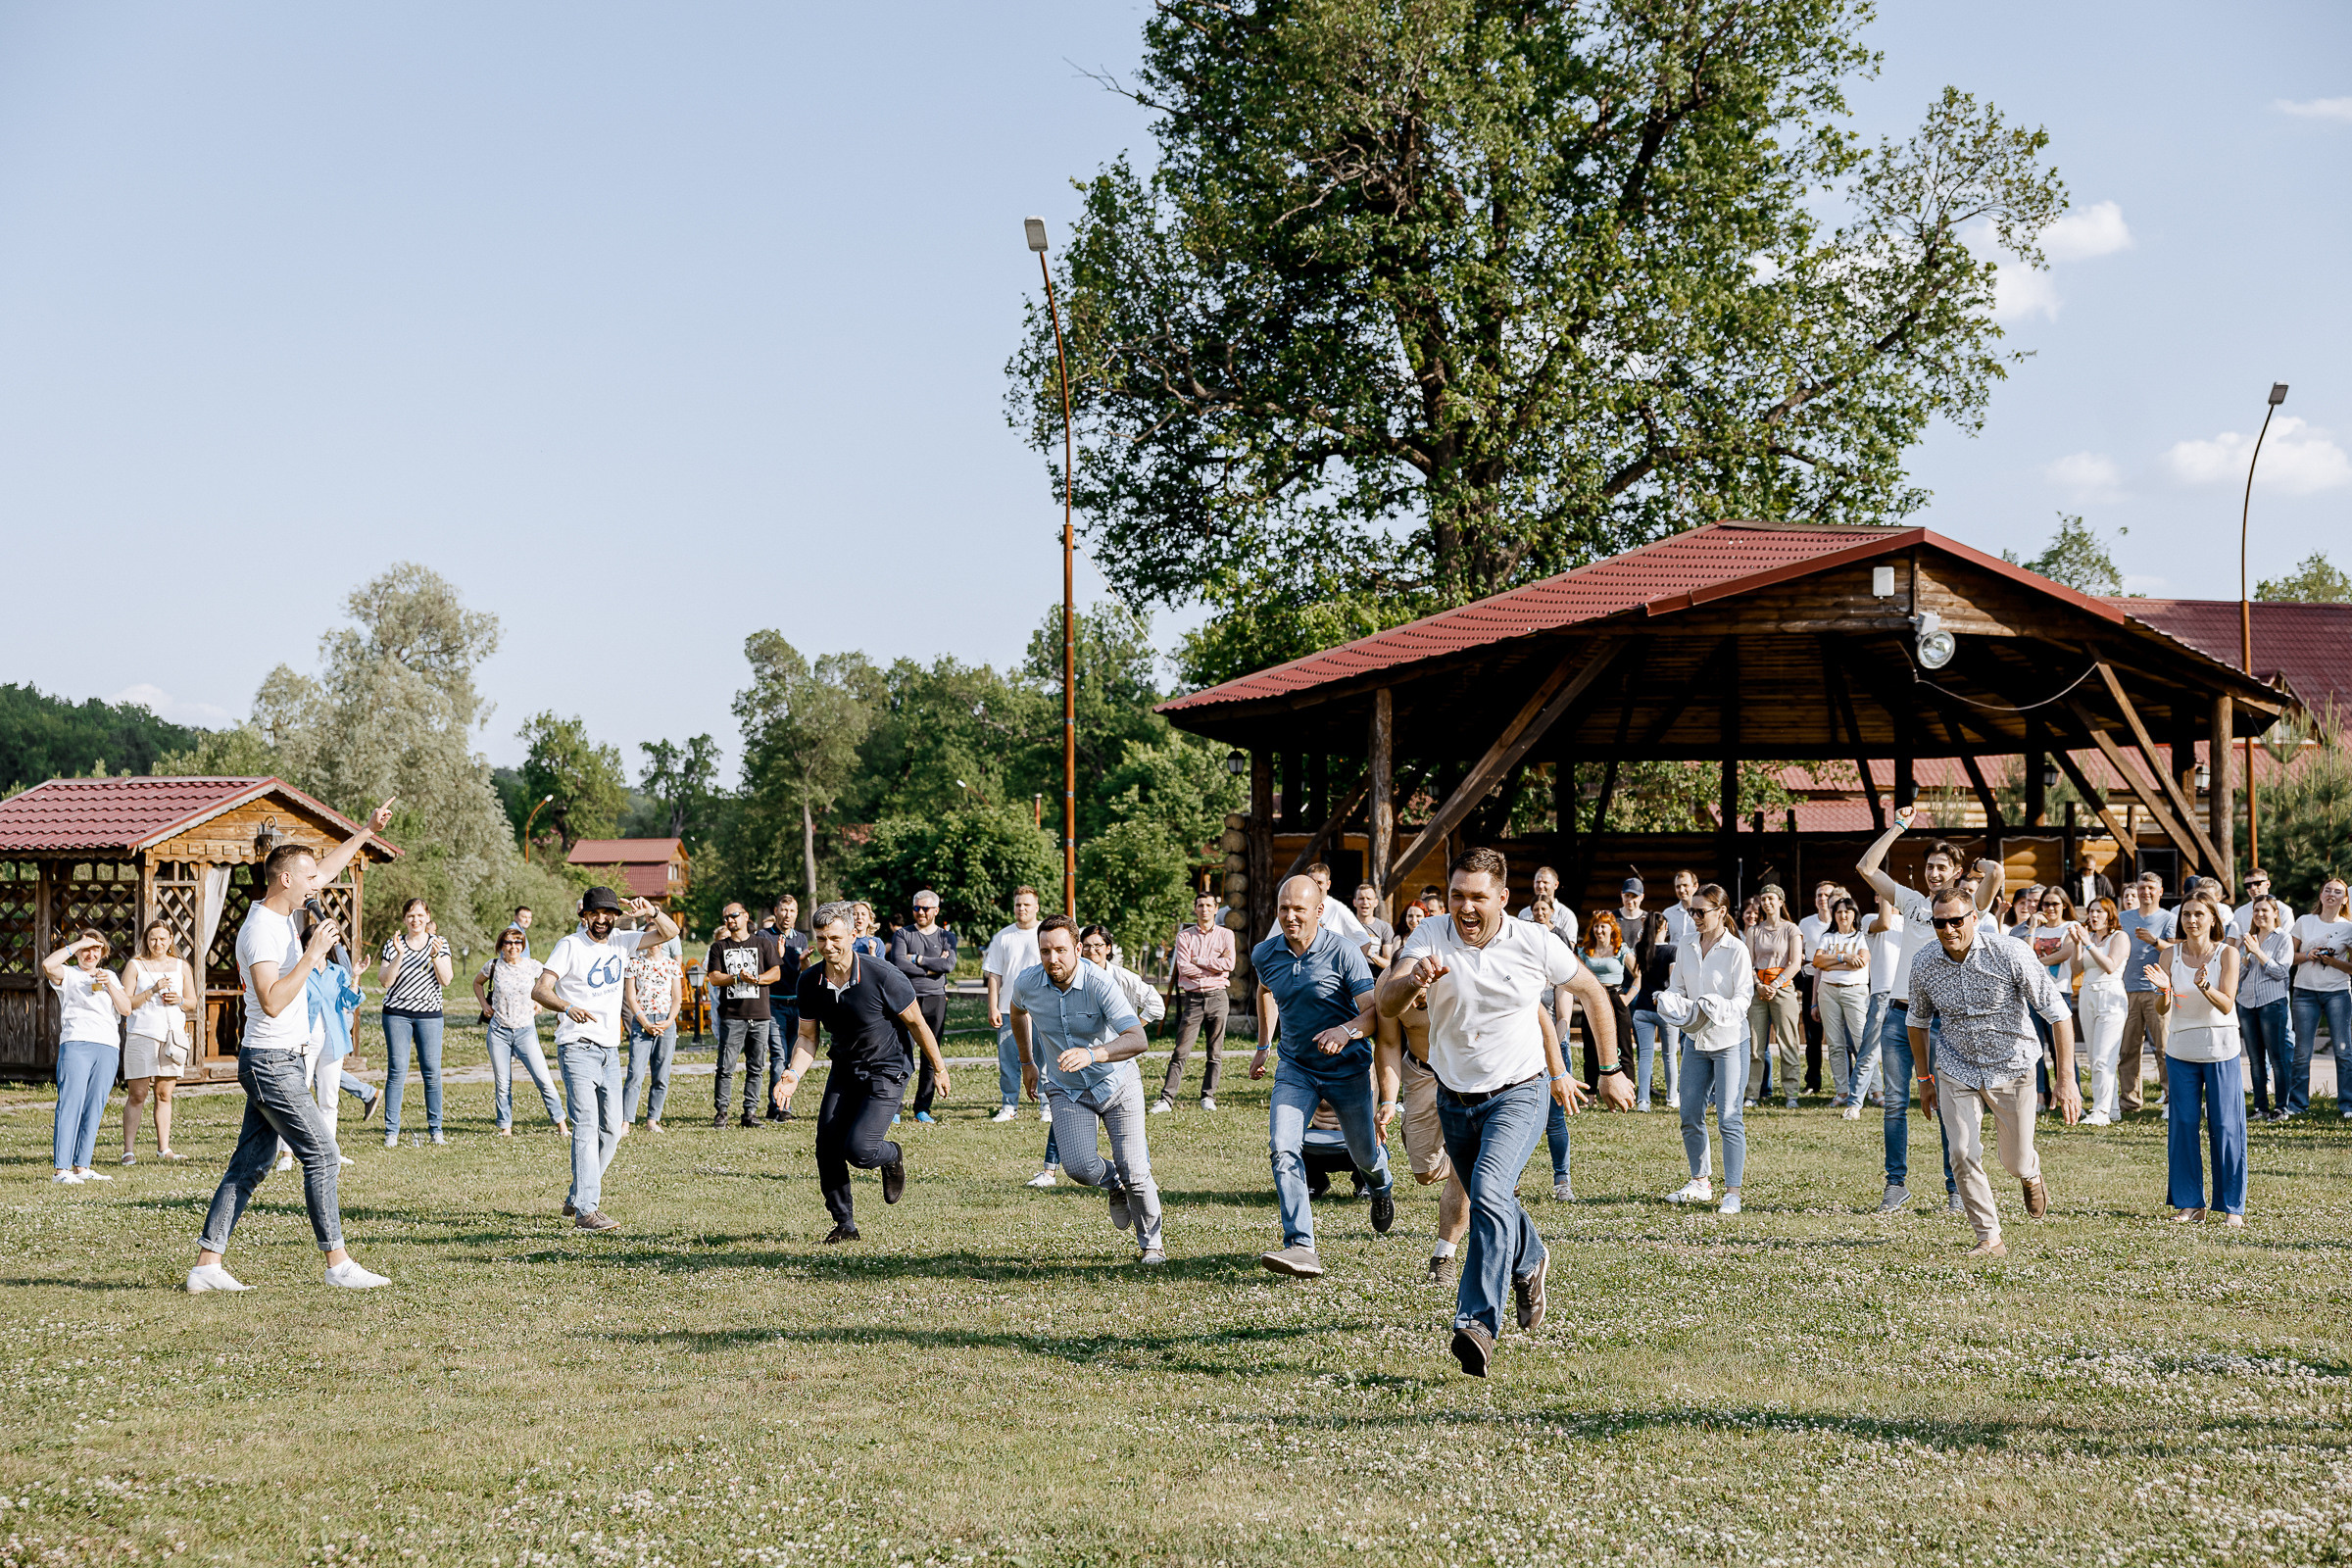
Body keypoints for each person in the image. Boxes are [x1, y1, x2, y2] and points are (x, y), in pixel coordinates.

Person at [1380, 848, 1629, 1377]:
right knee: (1496, 1203)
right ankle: (1531, 1256)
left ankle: (1476, 1324)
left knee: (1488, 1195)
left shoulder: (1534, 942)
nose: (1465, 908)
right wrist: (1411, 980)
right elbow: (1385, 1002)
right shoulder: (1430, 935)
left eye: (1477, 897)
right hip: (1453, 1097)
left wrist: (1609, 1068)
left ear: (1504, 898)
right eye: (1456, 895)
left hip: (1519, 1091)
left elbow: (1591, 992)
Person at [186, 802, 396, 1292]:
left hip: (281, 1060)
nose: (316, 884)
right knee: (322, 1152)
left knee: (251, 1164)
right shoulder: (261, 930)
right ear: (284, 880)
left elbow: (327, 866)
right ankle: (338, 1265)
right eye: (307, 878)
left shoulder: (282, 914)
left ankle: (206, 1266)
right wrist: (313, 955)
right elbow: (273, 1000)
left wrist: (365, 831)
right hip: (269, 1061)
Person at [1907, 887, 2080, 1258]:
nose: (1949, 929)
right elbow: (1917, 1021)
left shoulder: (2010, 952)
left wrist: (2066, 1080)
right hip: (1956, 1067)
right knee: (1961, 1152)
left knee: (2014, 1160)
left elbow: (2058, 1014)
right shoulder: (1924, 963)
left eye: (1956, 920)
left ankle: (2030, 1171)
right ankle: (1990, 1238)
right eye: (1940, 922)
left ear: (1974, 918)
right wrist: (1924, 1080)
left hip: (2012, 1066)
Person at [772, 900, 951, 1245]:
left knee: (860, 1150)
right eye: (822, 938)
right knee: (827, 1146)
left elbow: (917, 1024)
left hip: (888, 1069)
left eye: (836, 938)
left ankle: (891, 1154)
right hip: (845, 1068)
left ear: (854, 934)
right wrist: (793, 1073)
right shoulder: (809, 981)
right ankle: (845, 1225)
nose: (829, 946)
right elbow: (808, 1037)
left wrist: (939, 1068)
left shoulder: (882, 975)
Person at [1250, 873, 1397, 1279]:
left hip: (1347, 1070)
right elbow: (1265, 991)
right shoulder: (1265, 953)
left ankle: (1381, 1186)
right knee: (1282, 1147)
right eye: (1284, 909)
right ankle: (1301, 1245)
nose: (1291, 917)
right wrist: (1264, 1045)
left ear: (1319, 911)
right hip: (1295, 1069)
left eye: (1300, 909)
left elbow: (1375, 1014)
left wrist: (1345, 1030)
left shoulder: (1345, 952)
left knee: (1364, 1154)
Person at [1855, 814, 2002, 1214]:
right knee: (1894, 1103)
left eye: (1942, 867)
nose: (1933, 873)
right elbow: (1866, 868)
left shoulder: (1969, 909)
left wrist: (1976, 869)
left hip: (1944, 1020)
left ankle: (1955, 1188)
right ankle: (1895, 1185)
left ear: (1955, 871)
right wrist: (1898, 828)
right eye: (1929, 867)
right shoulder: (1912, 903)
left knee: (1947, 1106)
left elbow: (1998, 873)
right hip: (1899, 1016)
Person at [1009, 916, 1165, 1263]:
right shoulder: (1028, 983)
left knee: (1137, 1170)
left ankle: (1152, 1245)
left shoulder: (1100, 983)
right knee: (1078, 1167)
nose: (1053, 959)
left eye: (1061, 950)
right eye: (1046, 951)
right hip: (1067, 1089)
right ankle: (1115, 1183)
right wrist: (1027, 1062)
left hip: (1117, 1084)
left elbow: (1137, 1039)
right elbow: (1017, 1012)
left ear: (1078, 949)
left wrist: (1093, 1053)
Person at [532, 888, 681, 1231]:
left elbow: (671, 934)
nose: (602, 920)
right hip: (576, 1047)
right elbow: (540, 989)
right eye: (595, 913)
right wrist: (568, 1008)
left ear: (616, 915)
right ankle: (586, 1210)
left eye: (608, 914)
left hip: (610, 1051)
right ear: (584, 915)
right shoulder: (569, 945)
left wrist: (651, 911)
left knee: (613, 1129)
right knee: (586, 1125)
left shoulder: (622, 941)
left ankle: (577, 1194)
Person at [1648, 882, 1753, 1213]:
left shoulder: (1736, 949)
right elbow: (1677, 987)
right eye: (1691, 911)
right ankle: (1700, 1182)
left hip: (1730, 1041)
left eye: (1700, 911)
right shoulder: (1687, 944)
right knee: (1689, 1112)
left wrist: (1713, 1006)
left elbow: (1743, 1001)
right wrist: (1668, 1001)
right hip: (1695, 1040)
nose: (1693, 916)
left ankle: (1732, 1192)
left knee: (1728, 1117)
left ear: (1721, 912)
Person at [1373, 949, 1473, 1285]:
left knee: (1466, 1160)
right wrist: (1388, 1099)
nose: (1417, 998)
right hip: (1421, 1073)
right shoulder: (1388, 988)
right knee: (1425, 1172)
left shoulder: (1461, 980)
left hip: (1467, 1073)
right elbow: (1388, 1042)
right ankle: (1472, 1165)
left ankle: (1445, 1254)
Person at [2149, 893, 2244, 1223]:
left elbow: (2227, 1004)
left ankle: (2231, 1206)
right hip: (2180, 1050)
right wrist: (2164, 991)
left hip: (2221, 1050)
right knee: (2184, 1125)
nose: (2192, 920)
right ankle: (2191, 1204)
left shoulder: (2227, 954)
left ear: (2212, 919)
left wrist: (2205, 985)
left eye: (2199, 914)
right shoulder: (2169, 955)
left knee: (2226, 1127)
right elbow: (2163, 1009)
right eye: (2187, 914)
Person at [43, 930, 139, 1185]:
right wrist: (78, 944)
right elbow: (47, 965)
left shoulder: (111, 977)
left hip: (107, 1046)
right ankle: (61, 1170)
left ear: (102, 953)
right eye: (86, 948)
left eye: (95, 948)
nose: (90, 953)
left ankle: (82, 1166)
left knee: (95, 1105)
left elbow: (126, 1008)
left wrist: (109, 984)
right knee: (70, 1103)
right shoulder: (70, 974)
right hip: (76, 1043)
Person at [474, 929, 566, 1137]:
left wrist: (540, 1001)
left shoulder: (532, 965)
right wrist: (484, 1005)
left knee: (544, 1079)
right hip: (499, 1031)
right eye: (508, 942)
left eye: (518, 942)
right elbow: (477, 983)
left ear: (523, 946)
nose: (513, 947)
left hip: (525, 1031)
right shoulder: (493, 966)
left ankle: (561, 1124)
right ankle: (505, 1127)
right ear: (501, 945)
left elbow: (547, 984)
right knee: (503, 1082)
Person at [120, 920, 198, 1165]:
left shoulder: (181, 966)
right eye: (153, 938)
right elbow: (125, 1003)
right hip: (142, 1033)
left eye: (163, 939)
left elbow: (193, 1002)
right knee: (138, 1094)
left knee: (164, 1094)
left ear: (171, 940)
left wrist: (179, 1000)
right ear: (146, 940)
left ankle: (164, 1148)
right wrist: (152, 990)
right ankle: (128, 1151)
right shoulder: (136, 965)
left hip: (172, 1036)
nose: (158, 944)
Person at [376, 898, 453, 1147]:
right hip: (397, 1014)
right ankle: (391, 1132)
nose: (415, 920)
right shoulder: (393, 944)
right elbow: (385, 981)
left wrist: (434, 956)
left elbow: (447, 979)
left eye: (420, 915)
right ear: (404, 919)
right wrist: (399, 955)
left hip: (430, 1015)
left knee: (431, 1072)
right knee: (397, 1072)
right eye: (411, 916)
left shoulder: (439, 944)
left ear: (428, 917)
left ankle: (436, 1130)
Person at [707, 902, 783, 1129]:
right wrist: (737, 978)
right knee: (725, 1067)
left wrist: (757, 979)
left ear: (746, 916)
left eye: (734, 915)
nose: (730, 920)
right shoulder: (719, 947)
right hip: (732, 1015)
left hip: (760, 1015)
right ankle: (722, 1112)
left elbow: (776, 972)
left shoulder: (762, 943)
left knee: (756, 1067)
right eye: (726, 918)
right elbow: (714, 977)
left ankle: (750, 1113)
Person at [1158, 891, 1236, 1113]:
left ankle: (1208, 1096)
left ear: (1215, 909)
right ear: (1195, 909)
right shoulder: (1185, 937)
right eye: (1200, 905)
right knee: (1180, 1051)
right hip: (1193, 1000)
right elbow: (1184, 967)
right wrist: (1213, 967)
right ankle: (1166, 1099)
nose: (1204, 909)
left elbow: (1229, 964)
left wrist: (1200, 961)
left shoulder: (1226, 935)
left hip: (1218, 998)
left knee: (1215, 1052)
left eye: (1208, 905)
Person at [2058, 897, 2130, 1126]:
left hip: (2111, 996)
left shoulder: (2120, 937)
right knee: (2094, 1056)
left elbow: (2110, 966)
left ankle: (2101, 1111)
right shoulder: (2089, 938)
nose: (2094, 916)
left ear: (2110, 915)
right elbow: (2077, 969)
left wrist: (2088, 943)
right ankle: (2114, 1108)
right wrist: (2079, 944)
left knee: (2103, 1057)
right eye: (2091, 912)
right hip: (2088, 995)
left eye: (2099, 911)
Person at [887, 890, 957, 1123]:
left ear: (936, 910)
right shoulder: (903, 934)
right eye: (916, 908)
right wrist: (931, 969)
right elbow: (898, 962)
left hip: (936, 998)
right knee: (900, 1053)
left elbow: (948, 964)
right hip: (906, 999)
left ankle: (922, 1108)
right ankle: (894, 1107)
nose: (920, 913)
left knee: (931, 1052)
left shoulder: (947, 937)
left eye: (925, 909)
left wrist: (916, 959)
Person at [2288, 878, 2352, 1121]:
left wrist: (2333, 961)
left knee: (2344, 1051)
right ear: (2321, 894)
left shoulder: (2349, 927)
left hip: (2337, 992)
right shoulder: (2305, 921)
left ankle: (2347, 1104)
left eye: (2338, 892)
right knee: (2302, 1052)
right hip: (2305, 992)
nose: (2332, 895)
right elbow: (2289, 957)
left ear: (2344, 899)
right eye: (2327, 890)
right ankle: (2297, 1105)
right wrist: (2308, 955)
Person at [984, 888, 1046, 1124]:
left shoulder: (1044, 934)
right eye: (1018, 904)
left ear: (1036, 907)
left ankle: (1046, 1105)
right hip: (1009, 1010)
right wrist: (993, 1007)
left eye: (1027, 905)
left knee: (1045, 1060)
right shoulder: (1003, 937)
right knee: (1009, 1061)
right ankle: (1009, 1105)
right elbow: (994, 975)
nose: (1022, 909)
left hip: (1041, 1009)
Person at [1843, 892, 1905, 1121]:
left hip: (1908, 994)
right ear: (1877, 899)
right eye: (1883, 893)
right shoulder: (1870, 919)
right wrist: (1891, 893)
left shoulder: (1910, 920)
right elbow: (1885, 921)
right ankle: (1854, 1104)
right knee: (1869, 1052)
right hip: (1883, 994)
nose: (1889, 896)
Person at [2117, 873, 2176, 1116]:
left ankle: (2171, 1100)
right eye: (2142, 888)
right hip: (2127, 989)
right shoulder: (2123, 918)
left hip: (2157, 991)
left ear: (2160, 891)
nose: (2145, 892)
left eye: (2151, 888)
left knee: (2164, 1049)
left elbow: (2174, 949)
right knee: (2128, 1049)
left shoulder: (2168, 918)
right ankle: (2130, 1101)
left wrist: (2154, 941)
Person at [2237, 897, 2295, 1123]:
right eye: (2256, 910)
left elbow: (2281, 972)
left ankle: (2281, 1108)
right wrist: (2245, 959)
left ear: (2274, 913)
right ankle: (2260, 1107)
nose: (2259, 914)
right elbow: (2240, 976)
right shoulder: (2248, 939)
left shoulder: (2283, 938)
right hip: (2247, 1003)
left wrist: (2258, 952)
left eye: (2264, 910)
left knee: (2278, 1058)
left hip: (2272, 1003)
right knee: (2255, 1059)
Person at [1744, 885, 1803, 1108]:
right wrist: (1759, 985)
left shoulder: (1791, 930)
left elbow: (1795, 963)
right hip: (1758, 988)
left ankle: (1791, 1094)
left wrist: (1776, 984)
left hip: (1783, 987)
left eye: (1771, 898)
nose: (1767, 902)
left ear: (1780, 901)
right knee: (1755, 1044)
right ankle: (1752, 1093)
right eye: (1764, 899)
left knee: (1788, 1041)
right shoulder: (1754, 931)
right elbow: (1748, 963)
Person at [1811, 898, 1871, 1110]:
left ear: (1855, 914)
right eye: (1838, 912)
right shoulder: (1827, 937)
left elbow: (1861, 963)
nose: (1843, 915)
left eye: (1847, 911)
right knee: (1835, 1044)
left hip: (1855, 991)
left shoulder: (1861, 937)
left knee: (1861, 1042)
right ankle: (1842, 1091)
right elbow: (1817, 962)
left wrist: (1832, 963)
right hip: (1828, 992)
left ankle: (1874, 1090)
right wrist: (1844, 956)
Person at [621, 932, 681, 1132]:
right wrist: (645, 1023)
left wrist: (668, 1022)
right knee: (635, 1073)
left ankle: (652, 1120)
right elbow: (631, 998)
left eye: (659, 941)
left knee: (661, 1074)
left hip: (665, 1021)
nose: (654, 944)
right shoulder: (635, 964)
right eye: (651, 940)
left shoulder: (672, 965)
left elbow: (677, 999)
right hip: (642, 1020)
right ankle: (626, 1121)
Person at [1627, 903, 1680, 1112]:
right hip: (1665, 1008)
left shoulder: (1640, 948)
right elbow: (1673, 981)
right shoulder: (1671, 950)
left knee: (1646, 1056)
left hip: (1642, 1008)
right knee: (1669, 1055)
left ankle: (1643, 1101)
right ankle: (1671, 1097)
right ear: (1664, 927)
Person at [761, 896, 809, 1120]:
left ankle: (783, 1105)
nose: (787, 914)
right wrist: (777, 956)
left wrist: (803, 962)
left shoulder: (800, 938)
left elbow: (804, 973)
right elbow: (762, 970)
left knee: (792, 1059)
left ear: (797, 913)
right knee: (778, 1057)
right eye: (784, 910)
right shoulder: (763, 937)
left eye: (792, 910)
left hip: (796, 1005)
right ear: (776, 911)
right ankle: (779, 1109)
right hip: (774, 1004)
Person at [1517, 865, 1580, 946]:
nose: (1540, 886)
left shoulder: (1567, 915)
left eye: (1545, 882)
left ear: (1556, 885)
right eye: (1538, 882)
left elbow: (1569, 948)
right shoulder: (1524, 914)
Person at [2233, 869, 2290, 944]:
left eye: (2257, 883)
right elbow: (2237, 942)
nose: (2252, 888)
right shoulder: (2240, 912)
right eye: (2248, 885)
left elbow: (2287, 942)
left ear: (2268, 884)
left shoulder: (2284, 910)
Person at [1351, 882, 1396, 970]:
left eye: (1369, 898)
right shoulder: (1346, 925)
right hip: (1350, 975)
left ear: (1376, 902)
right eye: (1361, 898)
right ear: (1354, 902)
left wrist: (1370, 953)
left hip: (1374, 977)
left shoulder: (1385, 928)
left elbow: (1388, 964)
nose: (1365, 902)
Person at [1660, 869, 1701, 948]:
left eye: (1685, 885)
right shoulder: (1668, 913)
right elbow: (1657, 936)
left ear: (1695, 886)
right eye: (1678, 887)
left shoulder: (1703, 912)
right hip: (1674, 958)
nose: (1681, 890)